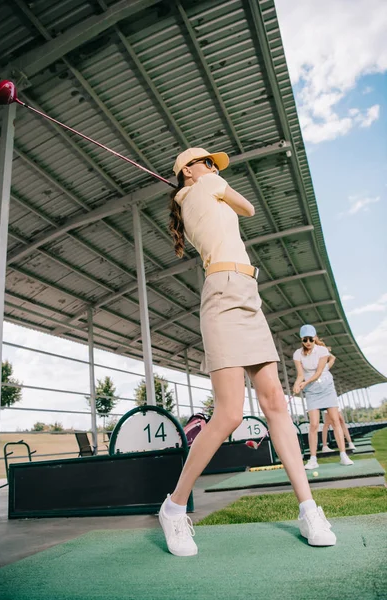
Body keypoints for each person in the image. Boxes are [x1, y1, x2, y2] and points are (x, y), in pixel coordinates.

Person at [158, 147, 336, 557]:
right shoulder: (206, 187)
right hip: (221, 295)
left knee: (274, 401)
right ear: (189, 169)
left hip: (248, 294)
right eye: (208, 162)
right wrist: (209, 182)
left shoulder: (201, 189)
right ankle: (174, 506)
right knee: (230, 413)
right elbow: (250, 208)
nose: (215, 168)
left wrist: (205, 183)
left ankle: (309, 509)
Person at [293, 324, 354, 470]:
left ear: (315, 338)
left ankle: (343, 455)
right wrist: (296, 384)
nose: (308, 342)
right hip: (312, 392)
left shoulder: (322, 350)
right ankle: (313, 459)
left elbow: (319, 372)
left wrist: (304, 382)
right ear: (301, 339)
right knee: (313, 424)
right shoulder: (297, 354)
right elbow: (300, 375)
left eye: (311, 339)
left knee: (335, 421)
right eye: (305, 339)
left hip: (326, 388)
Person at [321, 352, 355, 451]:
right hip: (325, 399)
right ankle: (324, 446)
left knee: (341, 421)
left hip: (332, 398)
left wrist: (324, 350)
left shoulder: (326, 369)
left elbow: (333, 357)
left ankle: (350, 442)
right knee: (328, 424)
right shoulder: (319, 371)